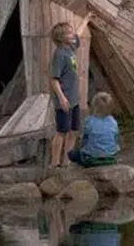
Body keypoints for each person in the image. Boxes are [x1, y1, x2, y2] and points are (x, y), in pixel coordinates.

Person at [49, 20, 82, 167]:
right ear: (62, 38)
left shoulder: (70, 48)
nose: (73, 34)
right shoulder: (60, 55)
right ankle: (54, 163)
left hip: (74, 99)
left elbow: (78, 34)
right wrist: (61, 98)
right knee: (61, 131)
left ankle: (67, 161)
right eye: (69, 33)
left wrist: (86, 20)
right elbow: (54, 80)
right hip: (65, 99)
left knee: (74, 130)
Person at [68, 91, 120, 167]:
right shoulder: (113, 122)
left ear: (94, 106)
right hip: (110, 157)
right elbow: (116, 138)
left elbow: (84, 139)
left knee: (72, 154)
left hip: (91, 158)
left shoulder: (89, 121)